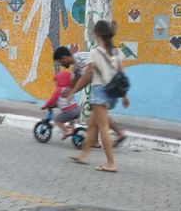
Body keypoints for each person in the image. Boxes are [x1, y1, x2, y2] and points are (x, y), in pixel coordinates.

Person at [65, 20, 123, 173]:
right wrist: (124, 95)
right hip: (112, 93)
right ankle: (83, 155)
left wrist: (72, 91)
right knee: (92, 124)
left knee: (103, 127)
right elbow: (120, 74)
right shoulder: (116, 52)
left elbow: (87, 76)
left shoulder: (94, 53)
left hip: (100, 92)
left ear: (96, 34)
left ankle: (111, 163)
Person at [53, 45, 129, 147]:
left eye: (60, 61)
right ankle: (95, 141)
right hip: (104, 82)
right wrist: (69, 92)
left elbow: (88, 77)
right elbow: (75, 82)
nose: (61, 64)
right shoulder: (77, 62)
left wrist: (71, 92)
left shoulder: (79, 61)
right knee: (95, 111)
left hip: (105, 84)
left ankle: (119, 133)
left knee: (98, 111)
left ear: (64, 58)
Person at [41, 71, 81, 139]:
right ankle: (73, 129)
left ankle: (67, 132)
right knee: (69, 117)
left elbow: (52, 100)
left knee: (57, 120)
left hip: (70, 112)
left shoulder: (59, 90)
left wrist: (45, 106)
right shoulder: (70, 89)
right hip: (77, 109)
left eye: (56, 81)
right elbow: (63, 101)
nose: (56, 83)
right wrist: (56, 104)